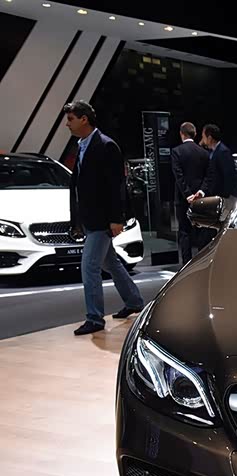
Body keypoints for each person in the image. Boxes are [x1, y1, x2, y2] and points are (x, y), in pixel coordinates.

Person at [63, 100, 144, 336]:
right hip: (90, 218)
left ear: (84, 119)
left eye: (70, 119)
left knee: (89, 266)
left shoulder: (106, 146)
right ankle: (134, 301)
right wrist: (77, 220)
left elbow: (116, 186)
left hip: (102, 220)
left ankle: (95, 318)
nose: (67, 124)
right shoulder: (82, 145)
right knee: (111, 263)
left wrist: (116, 219)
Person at [189, 124, 237, 249]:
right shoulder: (215, 152)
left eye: (203, 136)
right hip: (219, 198)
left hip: (224, 199)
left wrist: (223, 197)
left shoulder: (223, 152)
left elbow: (228, 176)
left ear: (209, 137)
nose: (202, 139)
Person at [171, 121, 209, 265]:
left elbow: (178, 176)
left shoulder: (177, 151)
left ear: (181, 134)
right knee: (201, 231)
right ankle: (202, 263)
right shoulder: (204, 153)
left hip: (183, 199)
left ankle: (186, 265)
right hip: (200, 198)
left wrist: (187, 195)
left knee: (184, 232)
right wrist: (200, 192)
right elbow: (208, 176)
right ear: (195, 134)